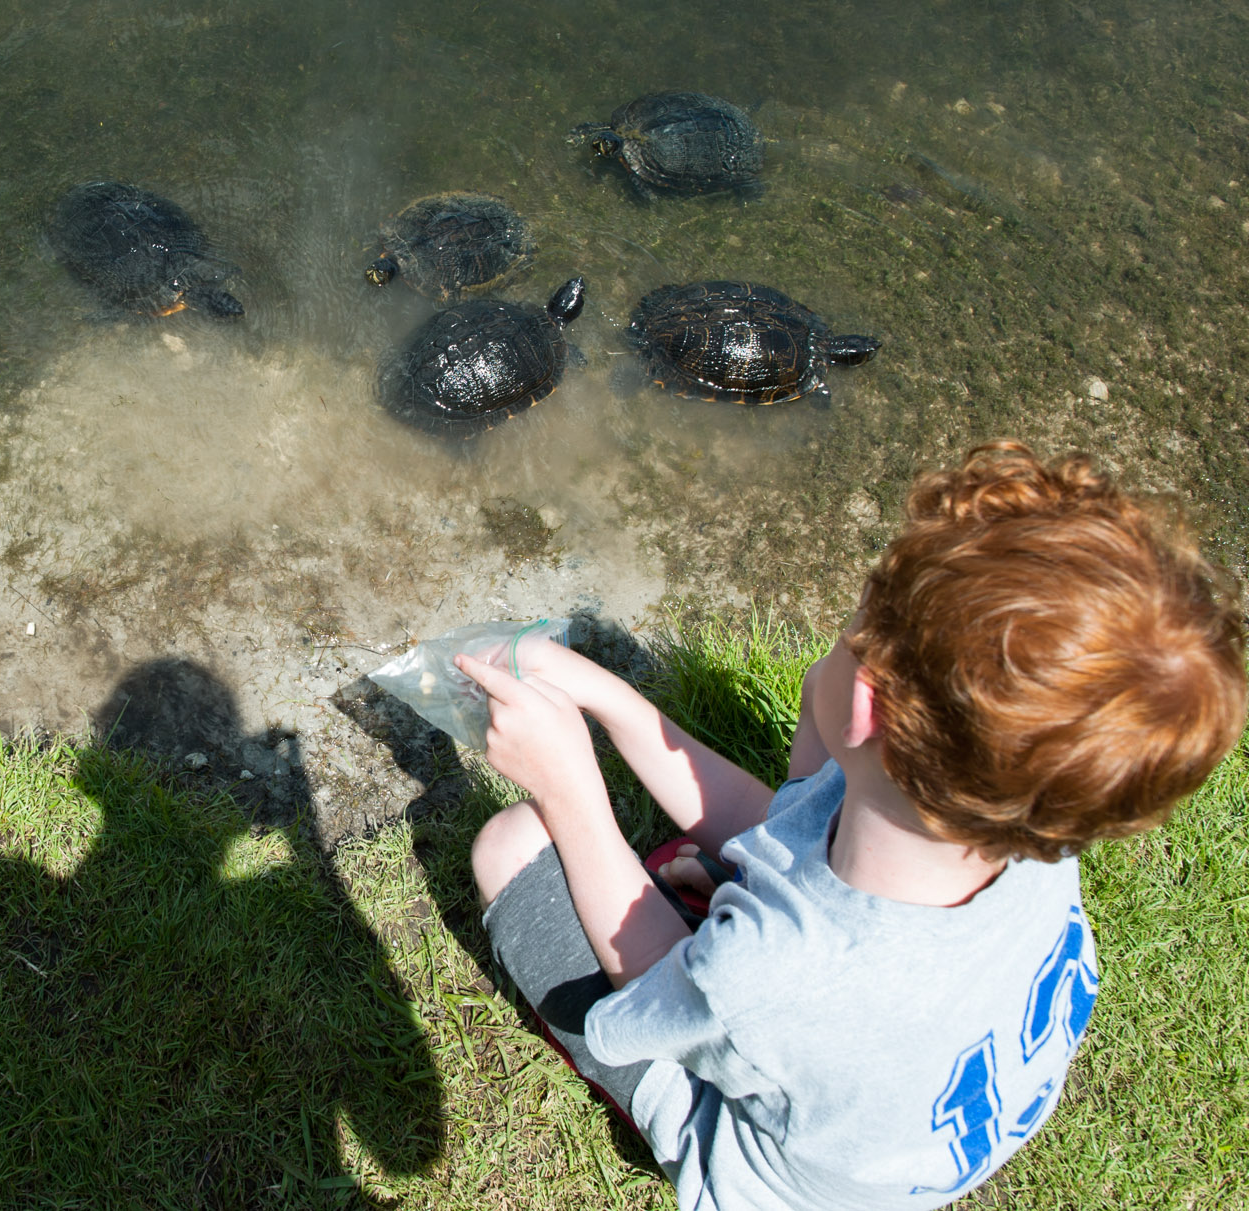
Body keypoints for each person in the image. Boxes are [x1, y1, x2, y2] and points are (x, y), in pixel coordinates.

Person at [452, 441, 1246, 1209]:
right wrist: (612, 700)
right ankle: (719, 882)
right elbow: (797, 818)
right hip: (904, 1107)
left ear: (867, 700)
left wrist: (571, 786)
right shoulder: (1024, 828)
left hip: (772, 1170)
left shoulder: (768, 975)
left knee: (512, 843)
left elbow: (654, 982)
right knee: (785, 801)